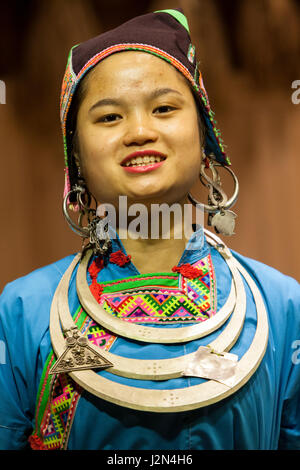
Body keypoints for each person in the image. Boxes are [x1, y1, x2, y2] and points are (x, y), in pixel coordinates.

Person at [0, 9, 299, 451]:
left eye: (163, 109)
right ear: (76, 160)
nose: (139, 132)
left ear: (204, 137)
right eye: (108, 118)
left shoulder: (281, 306)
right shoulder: (25, 312)